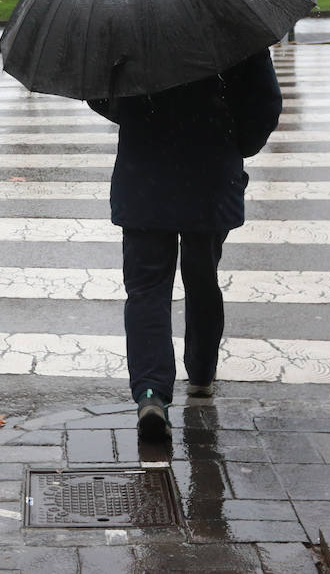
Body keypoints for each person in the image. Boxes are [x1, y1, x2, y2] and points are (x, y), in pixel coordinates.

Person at [88, 49, 282, 441]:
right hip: (210, 168)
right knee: (201, 275)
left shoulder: (128, 26)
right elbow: (265, 102)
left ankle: (150, 393)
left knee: (146, 288)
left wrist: (136, 115)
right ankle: (201, 375)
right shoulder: (230, 24)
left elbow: (97, 90)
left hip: (145, 169)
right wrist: (233, 141)